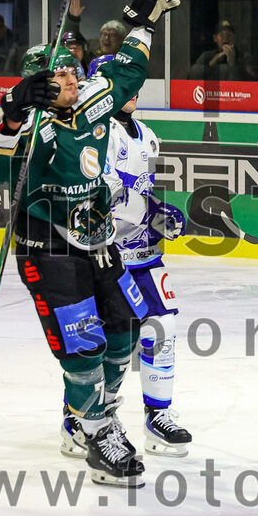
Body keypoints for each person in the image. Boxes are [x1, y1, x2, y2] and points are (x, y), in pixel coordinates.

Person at [0, 0, 181, 488]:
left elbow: (129, 73)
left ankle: (96, 417)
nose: (70, 79)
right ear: (36, 83)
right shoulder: (28, 124)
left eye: (72, 71)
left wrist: (141, 24)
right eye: (58, 75)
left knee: (124, 330)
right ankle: (98, 433)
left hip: (101, 244)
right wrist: (14, 110)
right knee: (84, 345)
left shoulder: (91, 105)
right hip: (49, 252)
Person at [97, 93, 192, 457]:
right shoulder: (96, 132)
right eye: (126, 83)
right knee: (109, 339)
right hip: (106, 254)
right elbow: (105, 189)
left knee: (161, 328)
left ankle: (158, 416)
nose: (134, 90)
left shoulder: (147, 135)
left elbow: (142, 190)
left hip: (145, 254)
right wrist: (151, 210)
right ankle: (88, 418)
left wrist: (159, 216)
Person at [187, 19, 257, 82]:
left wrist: (232, 63)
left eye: (229, 35)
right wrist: (213, 61)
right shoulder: (207, 56)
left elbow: (251, 81)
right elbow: (192, 76)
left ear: (234, 37)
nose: (226, 38)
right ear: (215, 38)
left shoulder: (244, 57)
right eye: (222, 35)